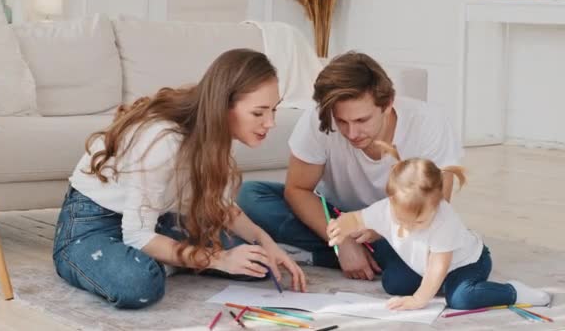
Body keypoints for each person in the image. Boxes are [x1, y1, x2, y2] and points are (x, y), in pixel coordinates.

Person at [52, 49, 306, 309]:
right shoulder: (162, 139)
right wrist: (218, 259)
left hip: (157, 219)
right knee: (139, 283)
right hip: (95, 221)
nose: (271, 123)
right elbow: (137, 235)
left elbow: (221, 206)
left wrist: (266, 242)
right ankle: (91, 258)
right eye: (259, 113)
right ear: (223, 105)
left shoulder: (219, 132)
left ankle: (166, 257)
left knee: (256, 263)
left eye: (274, 110)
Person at [237, 51, 464, 283]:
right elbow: (297, 190)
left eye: (362, 121)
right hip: (335, 217)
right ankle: (356, 255)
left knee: (406, 276)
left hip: (396, 226)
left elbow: (436, 205)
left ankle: (319, 254)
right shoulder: (320, 119)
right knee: (250, 195)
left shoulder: (429, 123)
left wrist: (379, 228)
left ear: (387, 104)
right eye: (342, 122)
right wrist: (342, 241)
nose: (352, 134)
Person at [327, 141, 551, 310]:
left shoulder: (445, 221)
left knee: (461, 298)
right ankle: (434, 286)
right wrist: (341, 228)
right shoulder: (385, 209)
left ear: (437, 203)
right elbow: (355, 218)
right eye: (403, 219)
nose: (411, 226)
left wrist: (419, 299)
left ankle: (511, 292)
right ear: (391, 201)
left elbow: (438, 268)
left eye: (420, 221)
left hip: (465, 264)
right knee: (393, 283)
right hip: (422, 262)